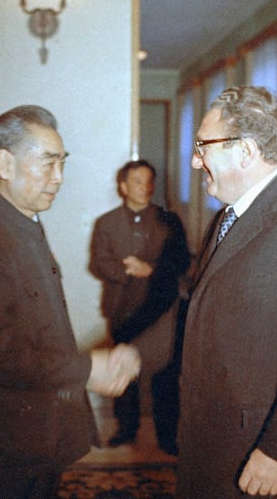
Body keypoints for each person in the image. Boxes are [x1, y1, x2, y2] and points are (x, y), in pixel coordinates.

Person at [148, 85, 277, 499]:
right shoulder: (226, 219)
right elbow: (196, 308)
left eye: (202, 146)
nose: (194, 160)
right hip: (217, 437)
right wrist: (131, 355)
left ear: (244, 151)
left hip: (264, 453)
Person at [0, 105, 141, 499]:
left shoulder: (22, 223)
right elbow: (3, 354)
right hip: (2, 443)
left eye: (62, 164)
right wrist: (90, 368)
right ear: (5, 163)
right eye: (48, 164)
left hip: (33, 434)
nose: (59, 178)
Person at [89, 160, 190, 448]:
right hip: (123, 309)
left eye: (149, 182)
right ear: (123, 187)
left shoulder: (169, 221)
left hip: (160, 310)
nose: (144, 187)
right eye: (136, 181)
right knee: (123, 371)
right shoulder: (106, 223)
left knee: (165, 374)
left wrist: (151, 270)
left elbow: (181, 261)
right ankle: (126, 429)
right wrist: (126, 271)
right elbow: (98, 262)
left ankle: (167, 436)